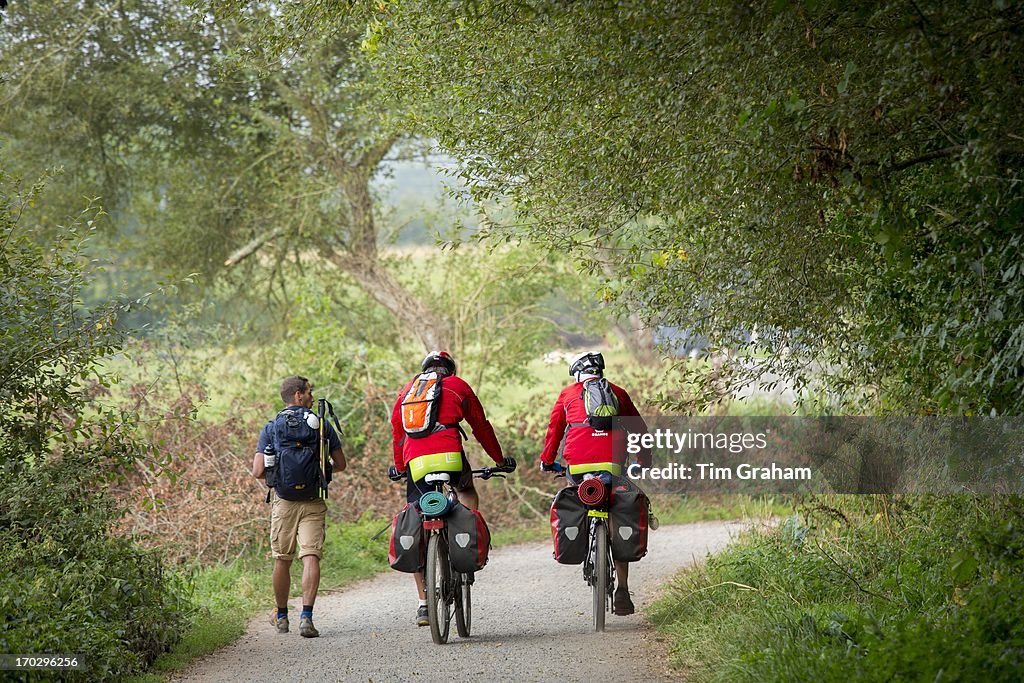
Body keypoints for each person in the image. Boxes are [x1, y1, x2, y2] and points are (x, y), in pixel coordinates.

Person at [388, 351, 516, 626]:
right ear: (450, 370)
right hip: (450, 457)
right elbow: (480, 427)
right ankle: (467, 542)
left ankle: (424, 603)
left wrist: (400, 467)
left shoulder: (408, 391)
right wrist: (499, 460)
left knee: (418, 513)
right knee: (466, 491)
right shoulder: (458, 386)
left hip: (416, 463)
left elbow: (398, 433)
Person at [538, 351, 651, 616]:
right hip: (612, 466)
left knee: (578, 497)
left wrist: (546, 460)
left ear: (577, 373)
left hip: (578, 468)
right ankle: (622, 590)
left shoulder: (568, 394)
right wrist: (642, 461)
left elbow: (554, 431)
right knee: (617, 514)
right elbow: (639, 430)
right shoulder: (618, 393)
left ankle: (584, 537)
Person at [252, 375, 346, 638]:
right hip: (313, 500)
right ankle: (306, 617)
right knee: (311, 556)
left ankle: (281, 616)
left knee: (282, 559)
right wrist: (320, 467)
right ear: (298, 395)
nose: (312, 396)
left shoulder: (271, 428)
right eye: (309, 392)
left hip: (283, 502)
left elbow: (258, 471)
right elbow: (341, 464)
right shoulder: (321, 426)